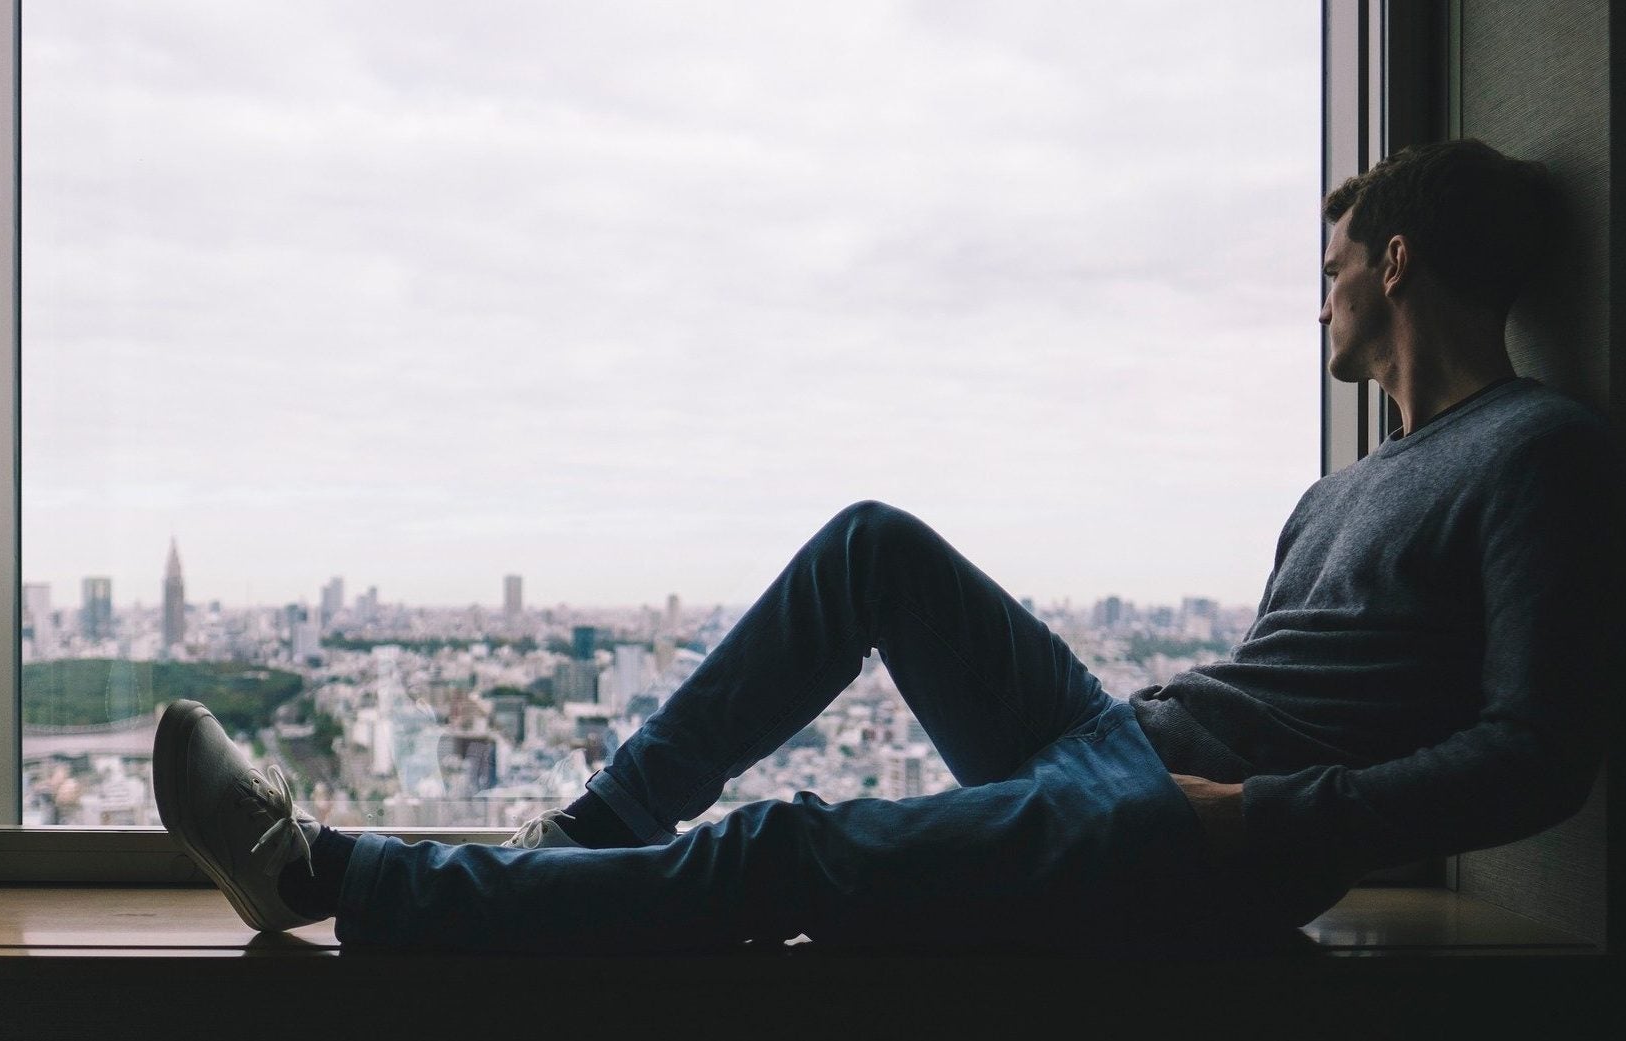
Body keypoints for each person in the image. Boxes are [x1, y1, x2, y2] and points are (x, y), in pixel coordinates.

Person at [153, 138, 1621, 952]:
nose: (1317, 305)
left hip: (1191, 830)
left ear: (1393, 262)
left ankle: (325, 873)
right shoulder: (1336, 493)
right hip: (1135, 753)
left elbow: (1541, 751)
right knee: (871, 546)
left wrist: (1259, 818)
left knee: (788, 847)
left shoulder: (1534, 447)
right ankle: (585, 837)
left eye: (1328, 273)